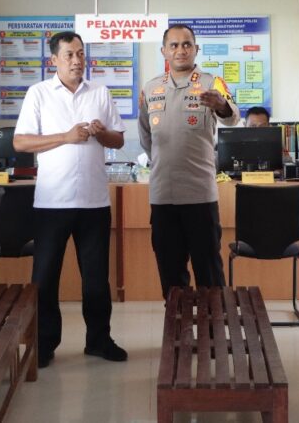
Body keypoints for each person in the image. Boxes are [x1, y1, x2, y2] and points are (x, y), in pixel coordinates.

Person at [14, 31, 127, 369]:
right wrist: (65, 137)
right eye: (69, 55)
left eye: (80, 54)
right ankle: (45, 343)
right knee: (45, 277)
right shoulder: (38, 93)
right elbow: (21, 142)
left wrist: (101, 132)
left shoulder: (100, 92)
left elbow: (118, 140)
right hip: (52, 203)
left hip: (94, 202)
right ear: (54, 60)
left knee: (96, 278)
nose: (77, 61)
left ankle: (99, 340)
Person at [138, 24, 240, 301]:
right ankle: (177, 326)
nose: (180, 50)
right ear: (164, 51)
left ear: (196, 49)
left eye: (186, 44)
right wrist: (164, 161)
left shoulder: (212, 83)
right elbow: (146, 138)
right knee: (170, 273)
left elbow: (233, 118)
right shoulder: (151, 88)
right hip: (163, 196)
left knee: (209, 271)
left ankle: (214, 326)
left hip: (199, 195)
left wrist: (220, 105)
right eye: (174, 45)